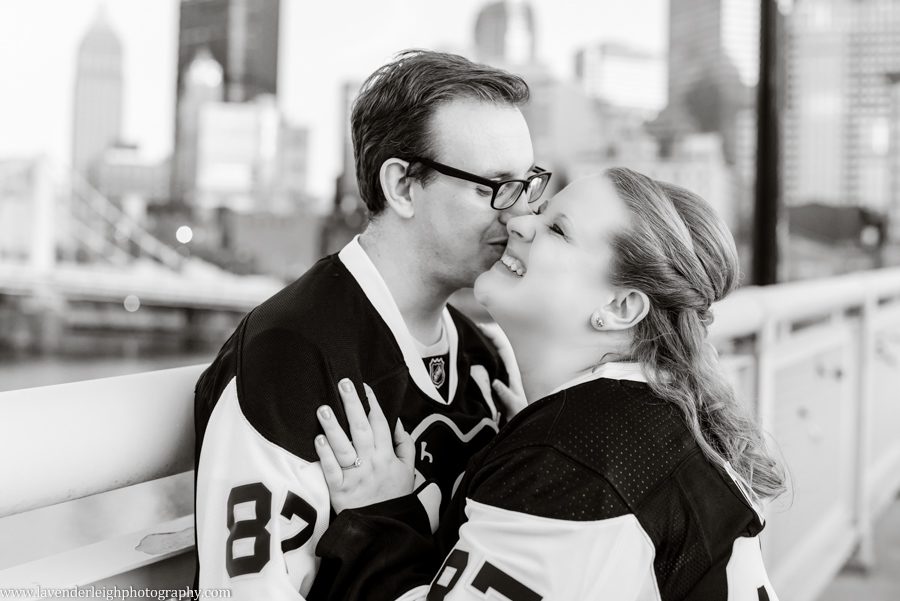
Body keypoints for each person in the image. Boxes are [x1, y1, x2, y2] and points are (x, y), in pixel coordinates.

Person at [312, 168, 787, 600]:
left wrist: (380, 517)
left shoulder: (576, 463)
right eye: (541, 211)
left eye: (557, 229)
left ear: (621, 308)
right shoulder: (639, 424)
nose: (520, 222)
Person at [191, 49, 552, 598]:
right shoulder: (288, 357)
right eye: (492, 187)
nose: (520, 214)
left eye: (525, 185)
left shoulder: (484, 358)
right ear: (403, 186)